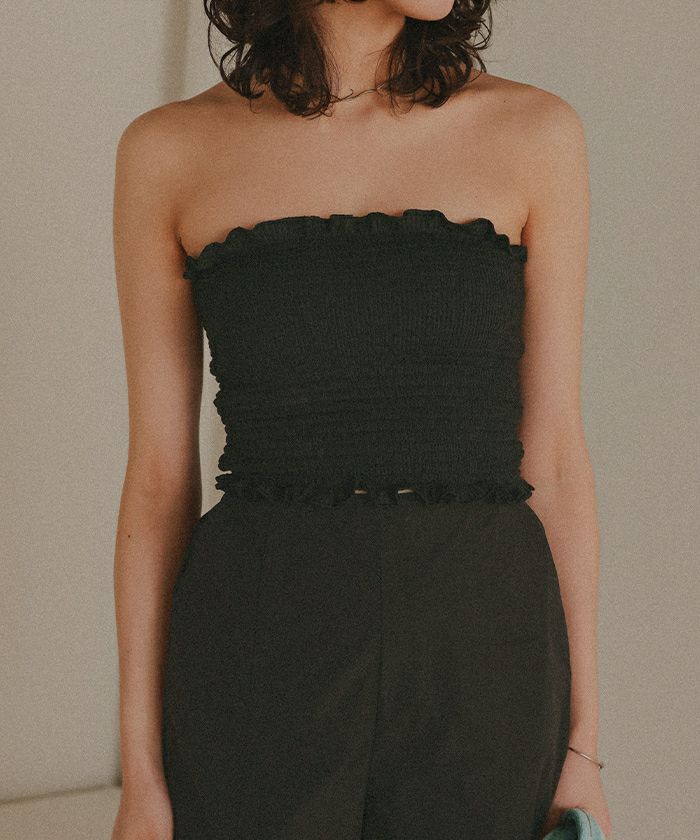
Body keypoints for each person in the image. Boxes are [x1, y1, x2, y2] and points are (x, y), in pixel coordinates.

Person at [110, 1, 613, 838]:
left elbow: (555, 452)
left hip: (485, 642)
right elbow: (160, 478)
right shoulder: (168, 150)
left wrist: (584, 746)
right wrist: (142, 773)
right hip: (260, 640)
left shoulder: (535, 134)